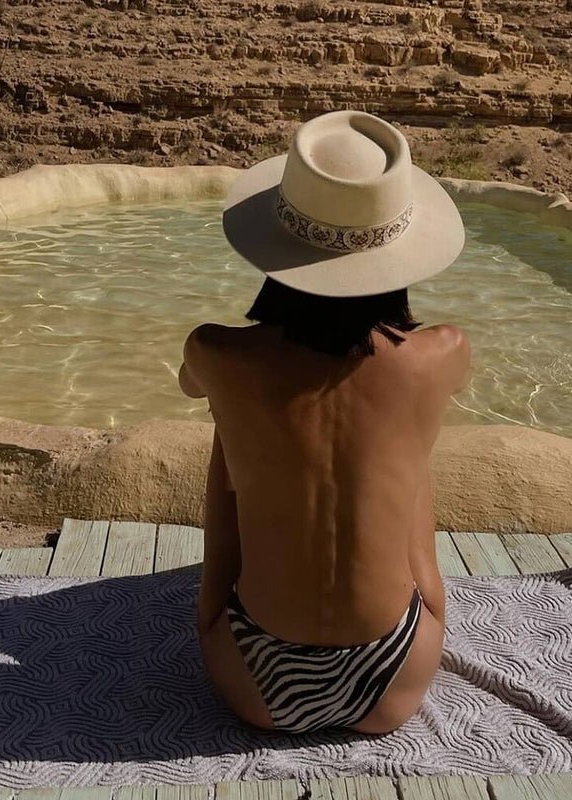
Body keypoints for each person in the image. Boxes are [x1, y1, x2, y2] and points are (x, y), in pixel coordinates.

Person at [178, 110, 470, 735]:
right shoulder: (443, 354)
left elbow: (192, 384)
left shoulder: (218, 354)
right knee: (406, 438)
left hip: (253, 677)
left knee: (229, 428)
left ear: (276, 248)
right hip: (397, 675)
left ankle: (226, 618)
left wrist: (210, 618)